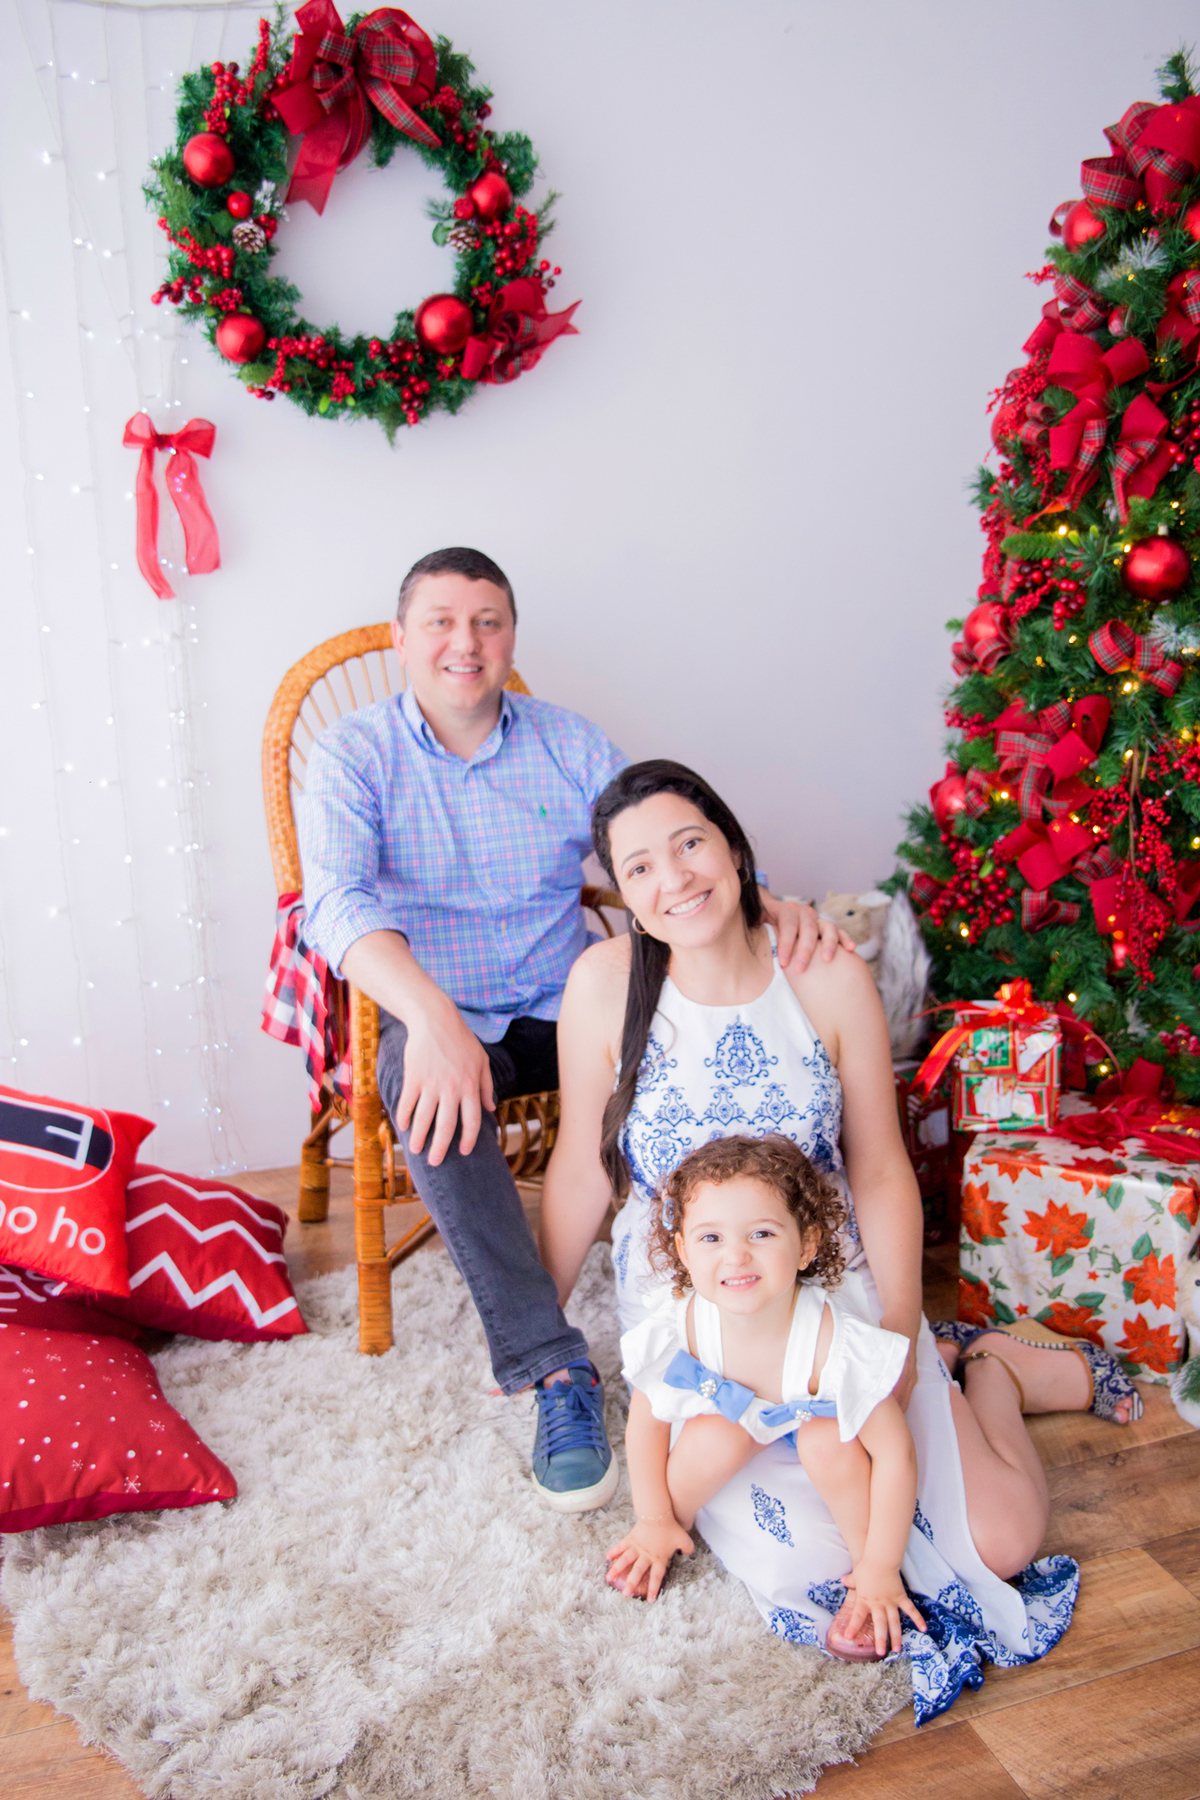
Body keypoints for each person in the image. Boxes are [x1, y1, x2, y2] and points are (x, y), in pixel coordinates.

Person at [539, 759, 1142, 1720]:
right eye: (639, 867)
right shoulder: (604, 983)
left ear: (734, 852)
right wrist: (539, 1335)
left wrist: (899, 1326)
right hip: (703, 1303)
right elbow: (580, 1166)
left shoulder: (822, 972)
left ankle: (993, 1373)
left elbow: (877, 1169)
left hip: (829, 1289)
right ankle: (952, 1391)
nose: (674, 879)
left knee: (1000, 1546)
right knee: (809, 1561)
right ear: (622, 892)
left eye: (690, 844)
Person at [296, 548, 841, 1515]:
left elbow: (664, 842)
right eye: (441, 622)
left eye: (488, 623)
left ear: (510, 639)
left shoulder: (567, 742)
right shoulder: (353, 753)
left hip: (570, 1007)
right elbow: (333, 903)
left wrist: (768, 907)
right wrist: (430, 1018)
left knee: (709, 1033)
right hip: (439, 1012)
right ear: (401, 639)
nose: (465, 643)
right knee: (429, 1099)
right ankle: (555, 1368)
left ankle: (757, 1268)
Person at [608, 1133, 929, 1663]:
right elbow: (647, 1424)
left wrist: (883, 1564)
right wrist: (652, 1517)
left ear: (805, 1244)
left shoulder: (834, 1342)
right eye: (710, 1238)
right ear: (683, 1250)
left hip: (819, 1410)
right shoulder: (680, 1325)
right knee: (712, 1438)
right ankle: (669, 1532)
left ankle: (866, 1579)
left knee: (830, 1445)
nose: (736, 1256)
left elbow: (897, 1454)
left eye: (761, 1233)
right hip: (731, 1410)